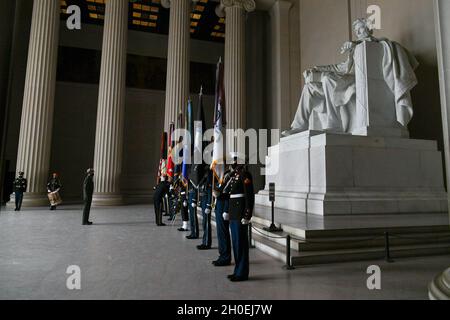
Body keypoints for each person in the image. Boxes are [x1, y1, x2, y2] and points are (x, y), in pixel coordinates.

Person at [284, 18, 418, 135]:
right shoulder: (355, 49)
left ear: (368, 29)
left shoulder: (376, 46)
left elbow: (375, 47)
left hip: (357, 81)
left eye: (360, 29)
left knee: (328, 79)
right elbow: (339, 67)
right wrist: (316, 69)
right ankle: (299, 126)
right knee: (310, 87)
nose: (358, 33)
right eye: (356, 31)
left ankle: (334, 124)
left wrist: (357, 45)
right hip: (345, 81)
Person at [225, 155, 255, 282]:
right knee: (236, 244)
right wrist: (227, 211)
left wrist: (247, 215)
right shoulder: (234, 176)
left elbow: (249, 196)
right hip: (234, 214)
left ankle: (242, 273)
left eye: (236, 162)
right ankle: (237, 270)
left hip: (240, 214)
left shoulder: (245, 175)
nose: (234, 164)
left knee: (241, 244)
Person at [211, 166, 233, 267]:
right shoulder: (224, 174)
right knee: (220, 233)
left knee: (224, 233)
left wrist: (226, 209)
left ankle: (225, 257)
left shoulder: (231, 175)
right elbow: (221, 188)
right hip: (219, 205)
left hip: (224, 205)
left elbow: (229, 193)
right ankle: (222, 255)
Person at [197, 166, 213, 250]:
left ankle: (207, 243)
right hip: (203, 202)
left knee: (206, 224)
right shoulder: (203, 181)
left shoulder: (209, 181)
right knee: (204, 223)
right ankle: (204, 241)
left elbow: (210, 193)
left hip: (206, 203)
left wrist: (208, 205)